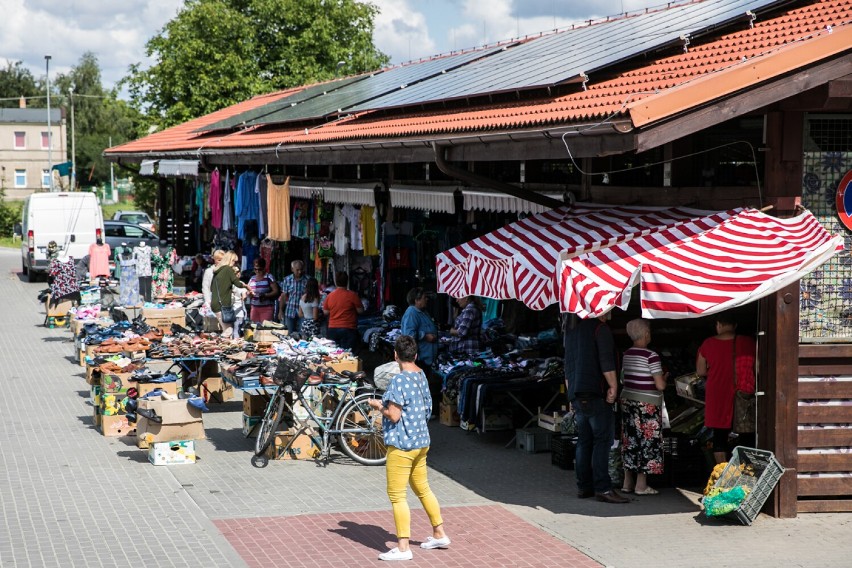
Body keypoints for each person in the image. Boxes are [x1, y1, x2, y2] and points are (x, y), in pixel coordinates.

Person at [367, 335, 450, 561]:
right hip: (422, 441)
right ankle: (439, 533)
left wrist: (378, 405)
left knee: (397, 495)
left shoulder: (398, 380)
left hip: (403, 444)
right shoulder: (421, 374)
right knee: (423, 489)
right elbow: (425, 408)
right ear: (415, 355)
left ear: (395, 356)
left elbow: (394, 415)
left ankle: (403, 548)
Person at [564, 314, 628, 504]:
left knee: (584, 440)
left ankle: (584, 487)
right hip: (595, 393)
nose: (611, 310)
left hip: (577, 392)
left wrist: (570, 393)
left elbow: (568, 365)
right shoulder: (600, 330)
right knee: (602, 440)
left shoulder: (573, 331)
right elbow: (607, 362)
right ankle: (603, 488)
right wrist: (613, 387)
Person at [696, 314, 757, 464]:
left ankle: (722, 475)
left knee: (719, 436)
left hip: (718, 393)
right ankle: (745, 472)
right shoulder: (749, 342)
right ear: (735, 325)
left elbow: (701, 371)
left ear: (718, 325)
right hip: (743, 394)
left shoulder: (708, 344)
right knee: (746, 434)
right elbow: (759, 367)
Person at [620, 318, 667, 496]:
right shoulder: (651, 356)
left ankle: (627, 482)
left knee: (629, 440)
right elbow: (660, 385)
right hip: (646, 404)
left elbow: (624, 379)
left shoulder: (626, 354)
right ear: (646, 334)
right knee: (647, 442)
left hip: (627, 400)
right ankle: (641, 485)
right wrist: (665, 378)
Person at [401, 287, 440, 407]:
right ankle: (418, 410)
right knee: (418, 386)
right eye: (424, 298)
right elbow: (409, 335)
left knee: (423, 384)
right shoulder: (412, 313)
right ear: (416, 300)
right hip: (420, 357)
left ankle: (422, 409)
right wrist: (425, 336)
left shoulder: (422, 311)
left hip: (426, 356)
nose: (426, 299)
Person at [210, 251, 250, 338]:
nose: (234, 264)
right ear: (230, 260)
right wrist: (247, 287)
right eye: (234, 261)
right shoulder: (228, 269)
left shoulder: (217, 271)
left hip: (216, 304)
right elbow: (238, 283)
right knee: (229, 331)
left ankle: (222, 346)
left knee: (227, 330)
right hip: (222, 305)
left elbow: (211, 288)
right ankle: (218, 343)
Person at [322, 271, 364, 350]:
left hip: (332, 328)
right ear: (347, 281)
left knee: (333, 354)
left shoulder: (330, 296)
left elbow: (326, 312)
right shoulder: (353, 295)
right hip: (348, 328)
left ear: (336, 281)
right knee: (348, 355)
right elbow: (360, 311)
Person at [278, 260, 307, 334]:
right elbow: (284, 296)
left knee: (302, 333)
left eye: (301, 269)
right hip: (290, 310)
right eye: (297, 270)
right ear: (292, 269)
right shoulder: (287, 280)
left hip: (303, 312)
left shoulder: (307, 280)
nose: (300, 272)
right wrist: (281, 310)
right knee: (289, 333)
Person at [247, 258, 280, 324]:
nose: (257, 271)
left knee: (265, 328)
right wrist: (250, 294)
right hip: (254, 308)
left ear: (264, 268)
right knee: (254, 328)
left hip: (266, 308)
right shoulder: (252, 278)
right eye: (255, 269)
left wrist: (265, 295)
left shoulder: (269, 277)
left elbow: (276, 291)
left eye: (260, 269)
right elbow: (248, 291)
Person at [231, 268, 248, 339]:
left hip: (229, 310)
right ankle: (235, 344)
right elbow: (244, 297)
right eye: (236, 272)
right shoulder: (241, 284)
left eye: (239, 272)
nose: (238, 273)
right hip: (238, 310)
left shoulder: (227, 283)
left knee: (231, 330)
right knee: (236, 330)